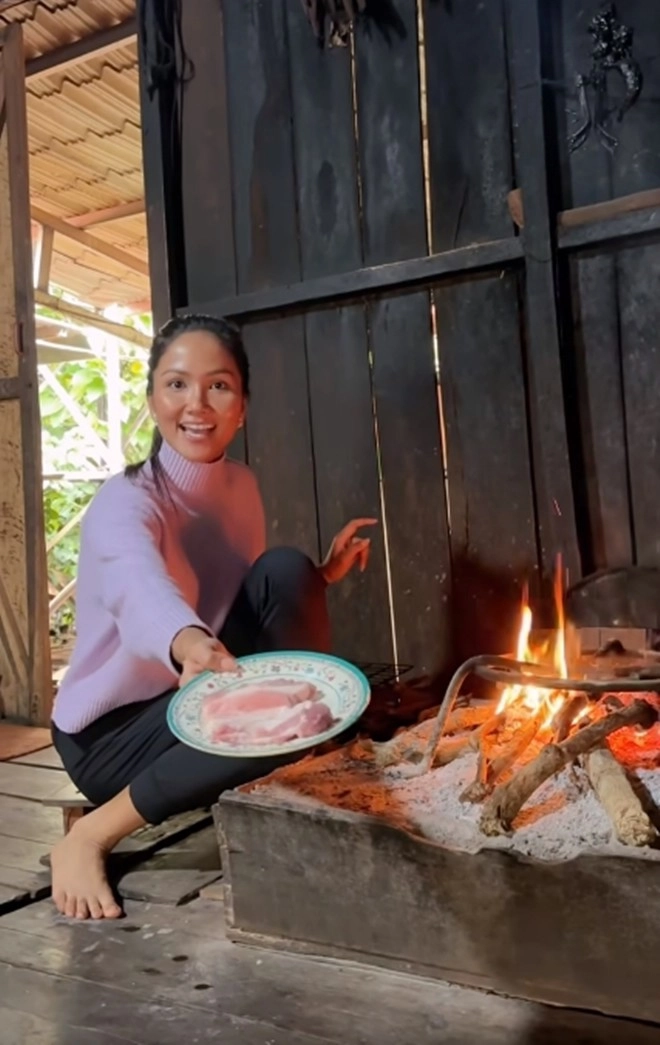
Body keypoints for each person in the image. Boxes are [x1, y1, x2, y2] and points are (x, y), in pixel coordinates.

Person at [50, 313, 376, 921]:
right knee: (277, 724)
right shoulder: (125, 501)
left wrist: (319, 576)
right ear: (152, 399)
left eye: (218, 386)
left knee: (284, 567)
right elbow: (136, 584)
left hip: (189, 688)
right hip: (109, 737)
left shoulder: (239, 485)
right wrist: (187, 642)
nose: (197, 404)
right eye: (176, 385)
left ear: (242, 406)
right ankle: (90, 834)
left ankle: (294, 760)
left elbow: (242, 591)